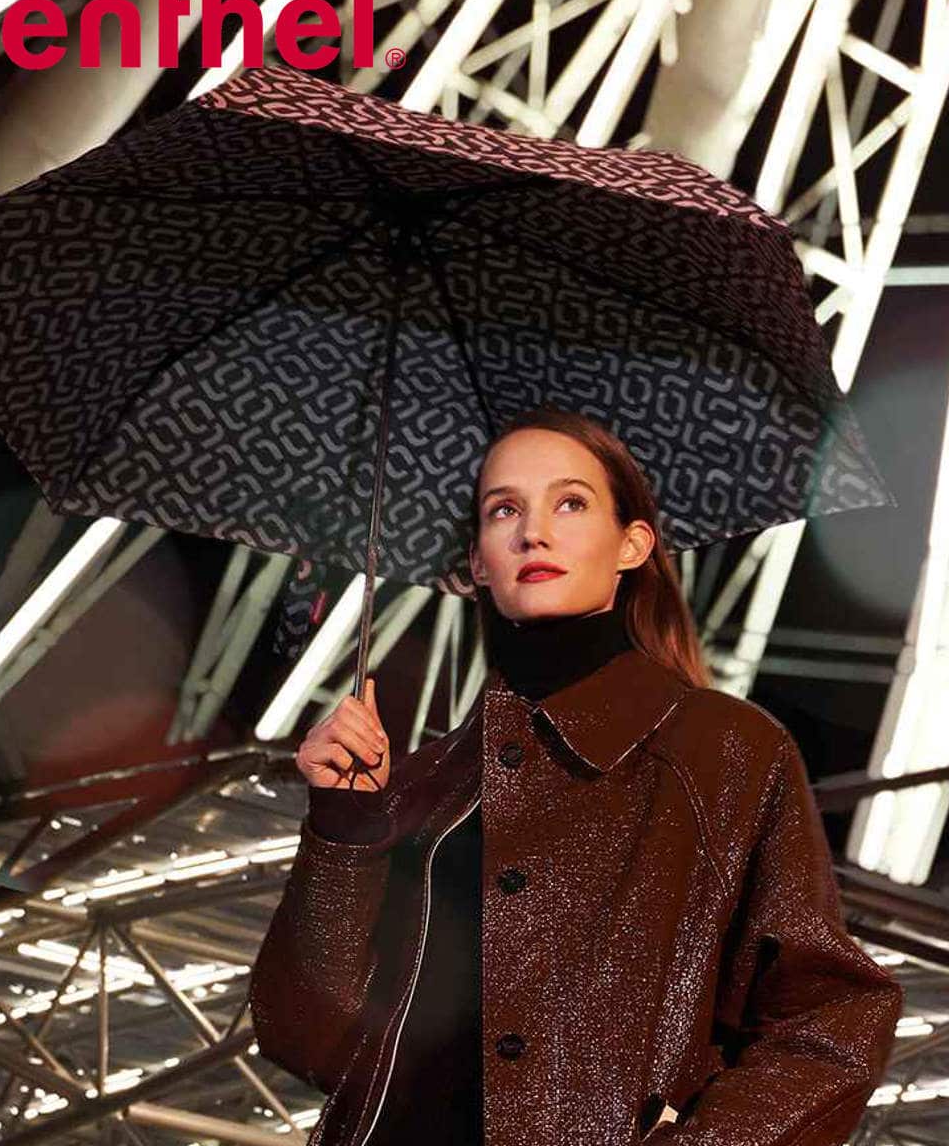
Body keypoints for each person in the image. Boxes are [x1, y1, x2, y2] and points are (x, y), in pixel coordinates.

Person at [249, 406, 904, 1146]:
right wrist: (343, 827)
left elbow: (832, 1017)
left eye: (570, 503)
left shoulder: (723, 751)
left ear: (632, 545)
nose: (533, 532)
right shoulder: (426, 779)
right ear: (478, 564)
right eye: (504, 510)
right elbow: (307, 1036)